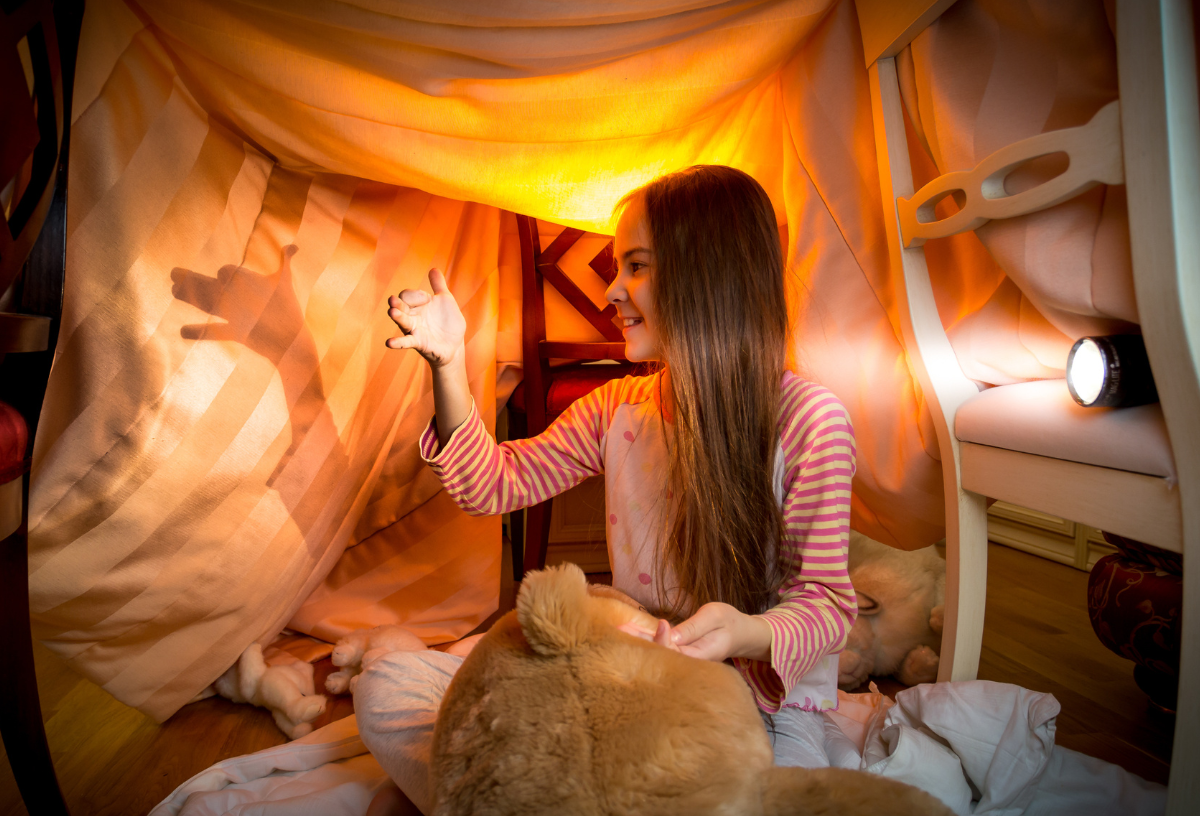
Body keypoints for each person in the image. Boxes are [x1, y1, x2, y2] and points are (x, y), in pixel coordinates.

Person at [359, 165, 857, 814]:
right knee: (387, 688)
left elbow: (826, 606)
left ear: (708, 274)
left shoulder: (811, 422)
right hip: (629, 677)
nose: (612, 292)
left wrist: (741, 633)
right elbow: (491, 485)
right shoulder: (617, 408)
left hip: (758, 698)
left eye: (637, 266)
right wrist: (449, 364)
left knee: (759, 799)